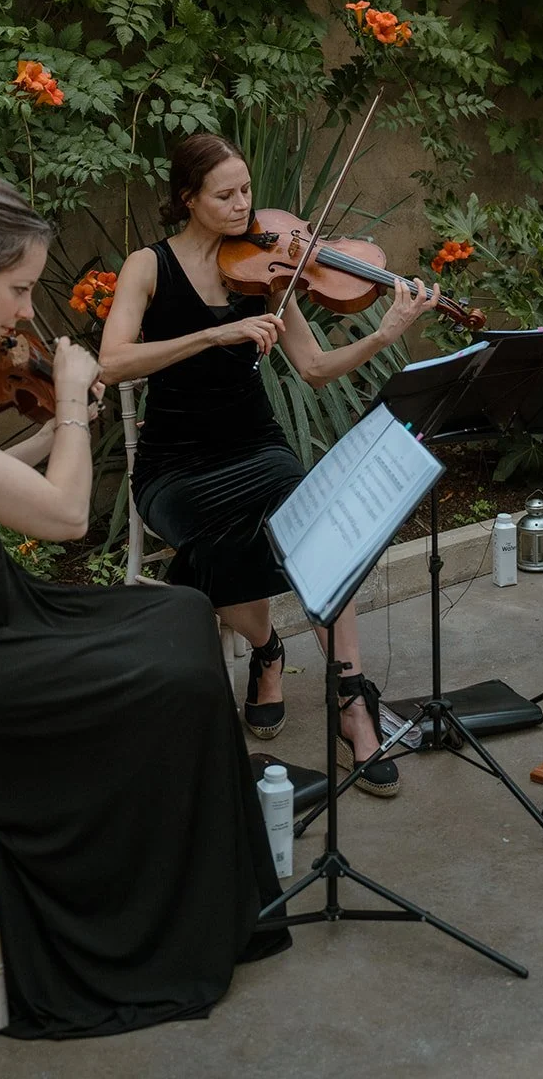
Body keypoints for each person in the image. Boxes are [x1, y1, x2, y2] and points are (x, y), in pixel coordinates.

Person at [0, 176, 289, 1038]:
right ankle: (138, 932)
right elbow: (69, 518)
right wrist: (72, 400)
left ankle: (211, 899)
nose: (26, 316)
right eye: (19, 288)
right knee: (170, 682)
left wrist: (55, 429)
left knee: (178, 617)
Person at [99, 134, 439, 796]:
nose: (241, 206)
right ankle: (267, 649)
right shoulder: (149, 267)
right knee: (217, 541)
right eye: (223, 195)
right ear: (187, 198)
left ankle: (350, 702)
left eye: (246, 190)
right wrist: (215, 332)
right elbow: (111, 362)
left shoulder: (266, 271)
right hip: (176, 466)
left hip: (256, 447)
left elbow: (313, 370)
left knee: (319, 524)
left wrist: (383, 333)